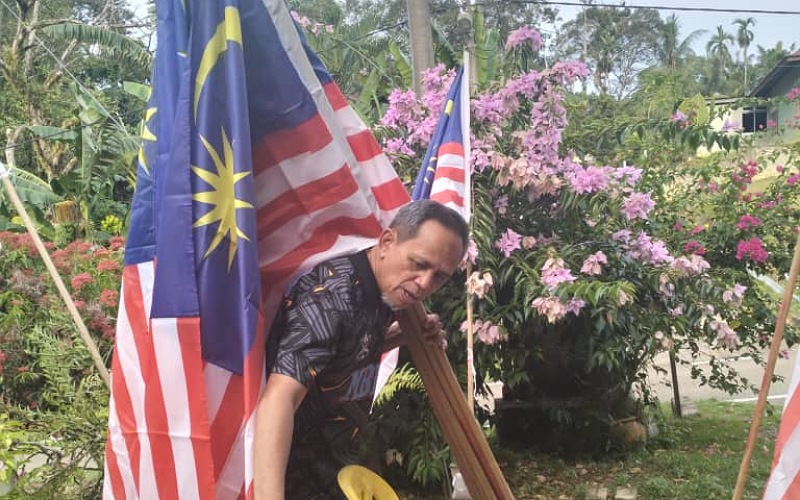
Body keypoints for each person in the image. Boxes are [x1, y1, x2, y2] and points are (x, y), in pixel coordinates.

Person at [253, 199, 469, 500]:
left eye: (440, 276)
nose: (424, 283)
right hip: (294, 480)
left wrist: (401, 337)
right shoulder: (331, 298)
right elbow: (279, 398)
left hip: (334, 472)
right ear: (387, 242)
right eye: (419, 264)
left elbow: (343, 349)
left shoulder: (383, 291)